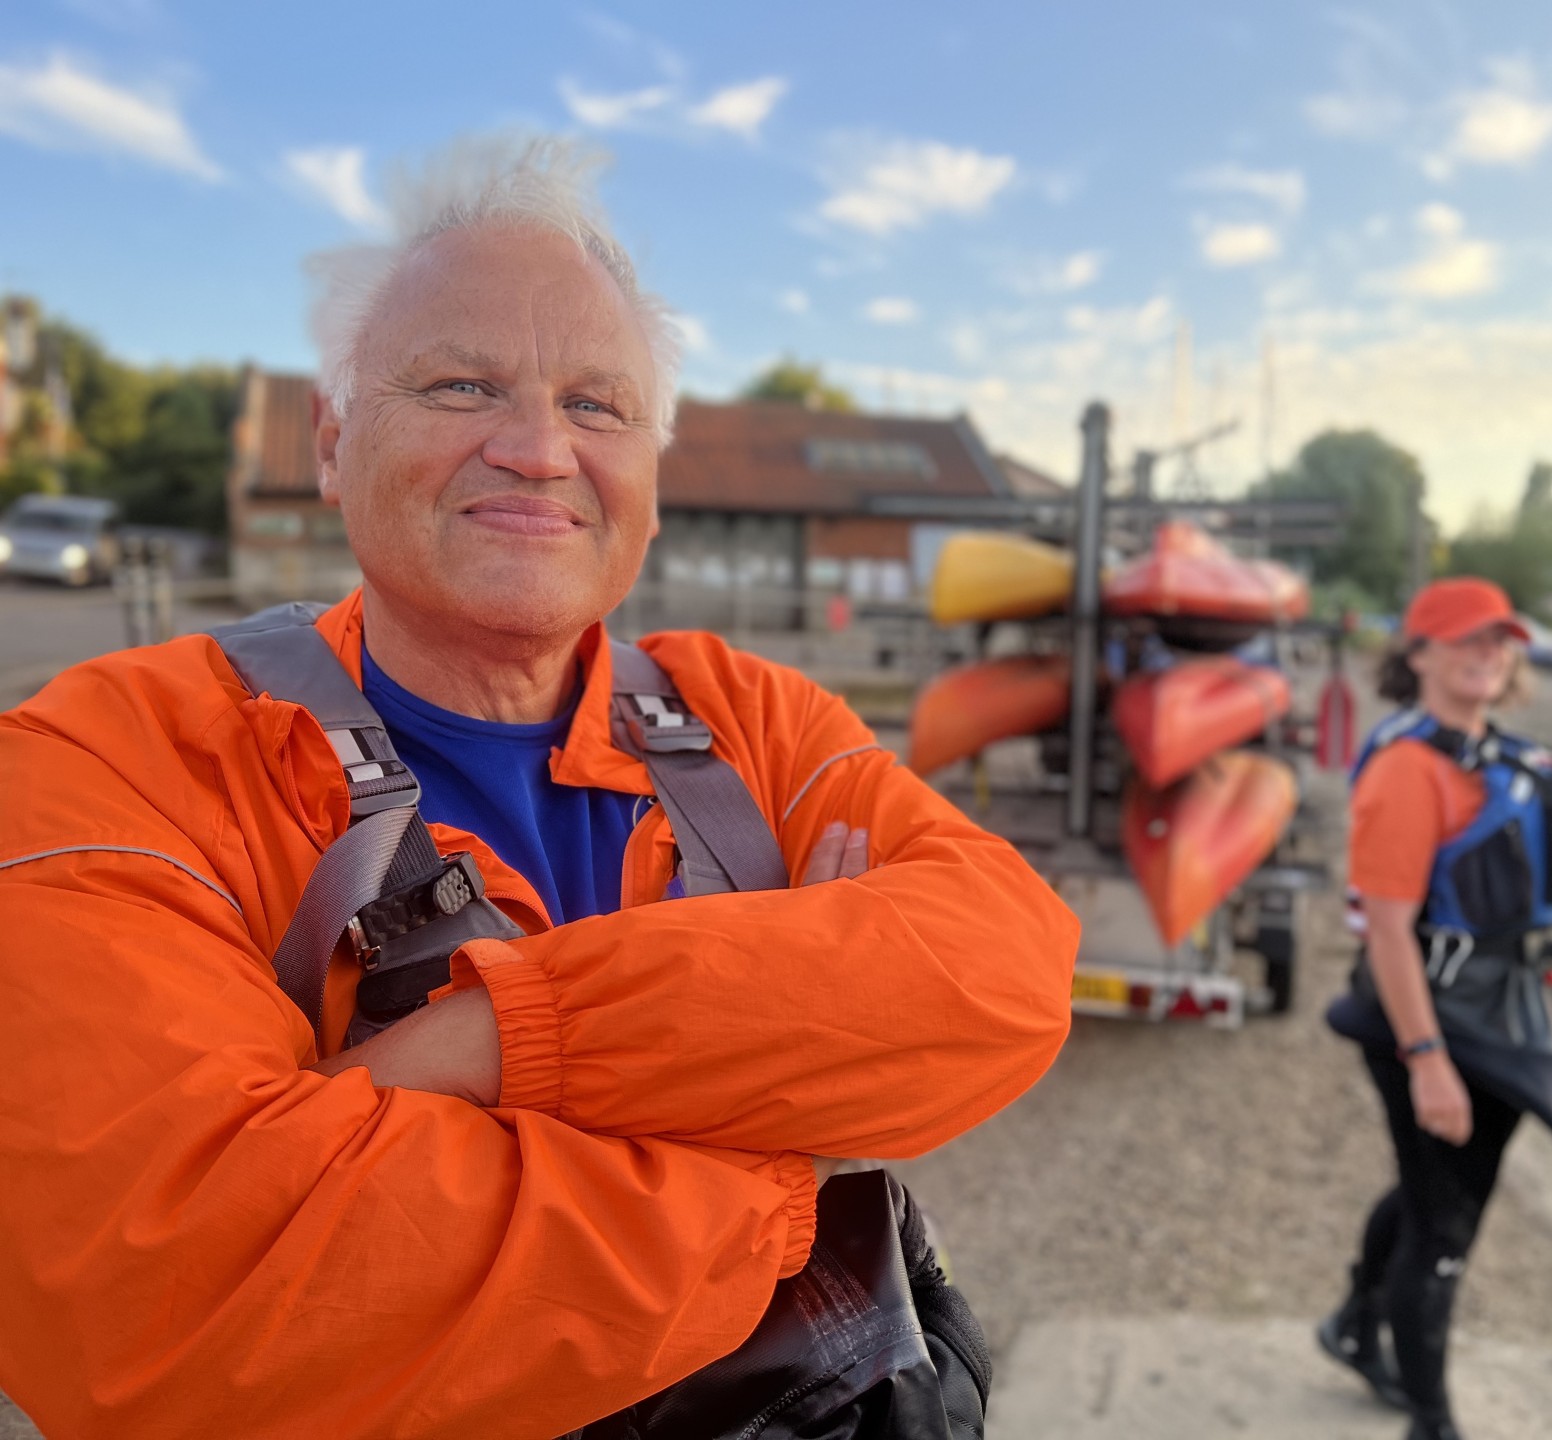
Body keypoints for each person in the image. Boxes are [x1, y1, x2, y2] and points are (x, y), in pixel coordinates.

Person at [0, 136, 1078, 1439]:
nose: (537, 449)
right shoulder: (113, 757)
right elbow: (156, 1295)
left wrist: (490, 1043)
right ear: (334, 442)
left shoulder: (749, 716)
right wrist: (779, 1147)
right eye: (461, 386)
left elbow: (1008, 969)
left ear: (653, 480)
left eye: (598, 405)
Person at [1318, 578, 1552, 1440]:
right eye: (1465, 640)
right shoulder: (1410, 772)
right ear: (1417, 655)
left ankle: (1349, 1325)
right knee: (1445, 1227)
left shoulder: (1491, 753)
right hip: (1437, 1027)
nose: (1488, 654)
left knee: (1430, 1193)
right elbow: (1386, 930)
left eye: (1500, 640)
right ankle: (1433, 1422)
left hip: (1505, 1015)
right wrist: (1427, 1060)